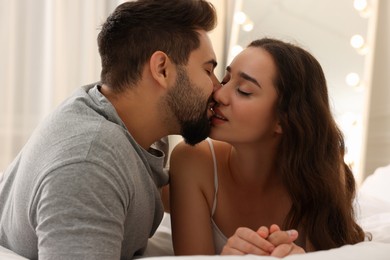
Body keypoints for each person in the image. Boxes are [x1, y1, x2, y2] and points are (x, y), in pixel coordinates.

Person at [0, 0, 220, 259]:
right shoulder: (90, 163)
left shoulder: (136, 124)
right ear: (162, 69)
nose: (217, 88)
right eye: (208, 70)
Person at [168, 38, 366, 257]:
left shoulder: (322, 171)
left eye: (243, 90)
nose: (219, 95)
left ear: (283, 119)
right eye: (225, 81)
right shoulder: (193, 161)